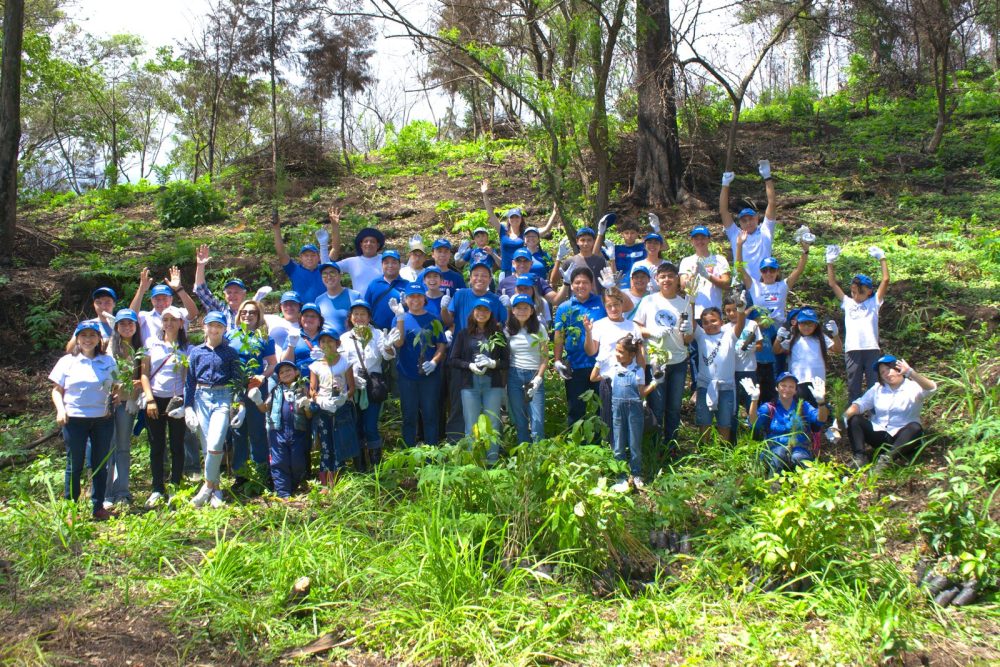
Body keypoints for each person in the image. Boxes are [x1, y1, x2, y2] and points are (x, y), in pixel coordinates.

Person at [50, 321, 117, 520]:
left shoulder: (108, 361)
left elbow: (117, 386)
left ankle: (98, 506)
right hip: (75, 420)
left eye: (92, 336)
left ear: (99, 339)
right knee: (75, 463)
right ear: (77, 339)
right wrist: (60, 410)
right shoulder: (67, 361)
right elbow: (56, 390)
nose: (88, 339)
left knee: (99, 463)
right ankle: (71, 507)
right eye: (84, 336)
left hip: (102, 419)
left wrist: (118, 395)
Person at [184, 311, 242, 508]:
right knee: (207, 445)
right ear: (204, 327)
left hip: (222, 397)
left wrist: (240, 404)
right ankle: (216, 490)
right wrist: (188, 406)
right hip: (201, 397)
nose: (214, 329)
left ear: (225, 329)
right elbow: (190, 380)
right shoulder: (196, 352)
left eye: (219, 326)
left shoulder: (231, 352)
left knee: (216, 443)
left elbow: (237, 380)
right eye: (211, 325)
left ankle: (207, 487)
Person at [633, 262, 691, 449]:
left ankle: (671, 446)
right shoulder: (649, 301)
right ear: (657, 280)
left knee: (674, 408)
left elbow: (688, 338)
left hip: (678, 361)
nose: (666, 280)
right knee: (656, 406)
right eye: (663, 276)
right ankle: (655, 447)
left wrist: (688, 330)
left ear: (677, 279)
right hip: (655, 361)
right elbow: (635, 327)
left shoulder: (685, 303)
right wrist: (651, 332)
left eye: (670, 276)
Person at [844, 355, 936, 471]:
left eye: (888, 369)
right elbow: (860, 404)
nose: (886, 374)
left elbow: (931, 388)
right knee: (855, 419)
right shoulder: (877, 389)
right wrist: (842, 419)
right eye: (882, 372)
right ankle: (859, 458)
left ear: (898, 368)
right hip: (881, 435)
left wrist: (910, 372)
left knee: (915, 427)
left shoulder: (913, 387)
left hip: (904, 439)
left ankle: (887, 460)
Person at [592, 334, 659, 492]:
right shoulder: (612, 368)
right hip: (617, 410)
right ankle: (621, 474)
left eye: (621, 352)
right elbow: (593, 377)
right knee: (618, 443)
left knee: (635, 443)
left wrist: (655, 383)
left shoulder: (638, 370)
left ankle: (636, 473)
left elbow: (642, 393)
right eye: (616, 350)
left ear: (632, 354)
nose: (617, 354)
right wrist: (599, 362)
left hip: (635, 410)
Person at [140, 306, 191, 506]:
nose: (169, 323)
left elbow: (188, 378)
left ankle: (175, 487)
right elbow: (144, 373)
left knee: (177, 445)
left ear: (181, 323)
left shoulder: (187, 348)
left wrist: (186, 403)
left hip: (177, 400)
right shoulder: (151, 344)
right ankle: (157, 488)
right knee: (156, 445)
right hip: (155, 400)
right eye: (165, 319)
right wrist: (150, 399)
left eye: (173, 319)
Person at [826, 244, 891, 401]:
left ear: (869, 291)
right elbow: (832, 284)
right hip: (852, 349)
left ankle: (875, 418)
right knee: (853, 387)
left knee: (874, 386)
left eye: (860, 291)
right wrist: (830, 262)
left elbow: (886, 279)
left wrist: (882, 258)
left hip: (871, 348)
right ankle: (853, 420)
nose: (855, 295)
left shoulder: (874, 302)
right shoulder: (848, 303)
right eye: (853, 291)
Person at [226, 299, 277, 491]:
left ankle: (262, 471)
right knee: (238, 431)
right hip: (236, 389)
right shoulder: (230, 336)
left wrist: (262, 376)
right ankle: (241, 474)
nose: (248, 315)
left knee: (257, 431)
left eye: (252, 313)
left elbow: (272, 363)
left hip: (256, 388)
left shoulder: (264, 337)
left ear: (258, 316)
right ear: (239, 315)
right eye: (244, 312)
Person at [340, 299, 398, 468]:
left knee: (370, 425)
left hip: (373, 386)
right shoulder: (344, 338)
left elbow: (388, 355)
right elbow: (341, 362)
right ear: (350, 317)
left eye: (363, 314)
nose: (359, 317)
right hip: (353, 386)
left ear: (369, 317)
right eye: (355, 314)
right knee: (356, 425)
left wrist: (387, 346)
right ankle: (359, 464)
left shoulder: (378, 334)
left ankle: (376, 464)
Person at [450, 299, 509, 463]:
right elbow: (453, 360)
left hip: (493, 385)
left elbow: (506, 361)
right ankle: (474, 461)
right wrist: (468, 365)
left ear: (491, 314)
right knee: (471, 425)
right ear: (473, 312)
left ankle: (492, 461)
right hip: (469, 385)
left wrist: (493, 363)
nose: (482, 314)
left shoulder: (497, 334)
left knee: (493, 424)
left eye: (486, 311)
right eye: (478, 310)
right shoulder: (463, 334)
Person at [392, 283, 447, 447]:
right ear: (406, 299)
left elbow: (441, 344)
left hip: (429, 376)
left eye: (418, 296)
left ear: (424, 298)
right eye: (411, 296)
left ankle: (431, 453)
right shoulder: (399, 317)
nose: (415, 300)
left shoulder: (433, 319)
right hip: (406, 375)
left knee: (430, 414)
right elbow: (399, 343)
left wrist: (434, 362)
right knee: (409, 415)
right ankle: (408, 452)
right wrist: (400, 319)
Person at [745, 372, 829, 477]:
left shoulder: (803, 406)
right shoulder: (770, 407)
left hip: (799, 449)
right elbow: (753, 423)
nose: (787, 389)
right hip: (774, 449)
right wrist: (754, 400)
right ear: (777, 388)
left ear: (795, 390)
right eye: (783, 385)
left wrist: (821, 402)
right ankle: (774, 485)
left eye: (791, 386)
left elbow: (821, 419)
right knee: (779, 453)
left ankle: (805, 488)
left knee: (799, 459)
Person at [552, 267, 607, 426]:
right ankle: (576, 444)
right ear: (572, 285)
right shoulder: (565, 307)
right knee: (576, 408)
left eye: (585, 282)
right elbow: (559, 335)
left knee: (601, 407)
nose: (581, 286)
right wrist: (557, 360)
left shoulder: (601, 302)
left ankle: (601, 444)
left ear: (592, 285)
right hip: (575, 364)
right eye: (577, 282)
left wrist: (611, 287)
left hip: (600, 364)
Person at [250, 360, 311, 499]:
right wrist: (257, 400)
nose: (285, 373)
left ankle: (295, 485)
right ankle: (283, 492)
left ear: (296, 372)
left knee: (298, 461)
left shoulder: (302, 389)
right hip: (277, 432)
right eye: (281, 372)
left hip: (298, 432)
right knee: (279, 461)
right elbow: (264, 408)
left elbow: (309, 415)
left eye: (288, 370)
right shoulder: (275, 390)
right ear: (278, 377)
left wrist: (307, 406)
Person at [310, 328, 360, 486]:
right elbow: (312, 389)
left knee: (340, 442)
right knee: (326, 443)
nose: (326, 344)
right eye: (323, 341)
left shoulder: (345, 362)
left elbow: (352, 386)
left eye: (330, 341)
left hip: (342, 408)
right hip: (324, 408)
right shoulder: (315, 365)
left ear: (337, 343)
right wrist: (318, 399)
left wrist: (344, 396)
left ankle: (337, 480)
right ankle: (325, 483)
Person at [690, 301, 746, 444]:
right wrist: (690, 301)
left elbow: (740, 325)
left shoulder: (729, 336)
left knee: (724, 421)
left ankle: (722, 452)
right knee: (704, 420)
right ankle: (704, 450)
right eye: (706, 322)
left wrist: (740, 309)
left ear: (721, 321)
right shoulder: (701, 336)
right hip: (705, 386)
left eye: (713, 320)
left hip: (726, 386)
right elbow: (691, 321)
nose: (710, 324)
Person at [104, 309, 142, 508]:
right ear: (116, 327)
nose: (127, 327)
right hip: (109, 404)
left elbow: (144, 377)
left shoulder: (140, 348)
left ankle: (122, 491)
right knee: (108, 448)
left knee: (123, 447)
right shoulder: (109, 347)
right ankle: (106, 493)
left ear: (136, 326)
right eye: (122, 324)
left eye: (130, 324)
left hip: (128, 404)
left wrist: (136, 397)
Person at [721, 159, 779, 283]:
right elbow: (723, 211)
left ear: (757, 218)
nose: (748, 222)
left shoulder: (765, 231)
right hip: (741, 285)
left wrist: (767, 177)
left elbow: (772, 203)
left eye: (751, 219)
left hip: (764, 283)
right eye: (744, 220)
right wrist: (725, 184)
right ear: (740, 223)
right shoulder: (735, 234)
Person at [505, 294, 548, 444]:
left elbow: (544, 357)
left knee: (537, 420)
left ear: (531, 311)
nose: (522, 311)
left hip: (534, 375)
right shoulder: (508, 329)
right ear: (513, 311)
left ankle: (538, 456)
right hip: (514, 375)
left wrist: (538, 378)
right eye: (518, 308)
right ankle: (524, 457)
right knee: (520, 420)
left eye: (526, 308)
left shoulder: (539, 328)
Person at [326, 207, 386, 296]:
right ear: (361, 245)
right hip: (360, 307)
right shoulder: (352, 262)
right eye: (365, 241)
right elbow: (329, 264)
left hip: (381, 305)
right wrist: (335, 227)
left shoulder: (386, 260)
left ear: (378, 245)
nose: (369, 244)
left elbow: (407, 270)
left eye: (372, 241)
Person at [130, 267, 198, 342]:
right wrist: (141, 290)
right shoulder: (145, 317)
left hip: (177, 352)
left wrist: (179, 288)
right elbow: (130, 316)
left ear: (171, 299)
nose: (161, 303)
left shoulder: (179, 313)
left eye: (165, 299)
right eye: (157, 299)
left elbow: (193, 313)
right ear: (152, 300)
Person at [725, 295, 763, 424]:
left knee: (751, 402)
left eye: (734, 309)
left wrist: (752, 348)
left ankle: (755, 434)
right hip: (731, 371)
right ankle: (732, 438)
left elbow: (760, 344)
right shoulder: (725, 328)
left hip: (748, 370)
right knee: (733, 406)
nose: (731, 313)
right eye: (728, 311)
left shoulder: (751, 324)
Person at [193, 244, 250, 330]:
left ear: (244, 294)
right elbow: (201, 290)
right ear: (224, 295)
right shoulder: (219, 309)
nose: (232, 295)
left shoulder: (250, 312)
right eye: (229, 292)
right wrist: (200, 266)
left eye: (236, 292)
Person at [679, 226, 732, 319]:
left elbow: (727, 284)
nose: (700, 241)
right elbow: (683, 286)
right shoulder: (686, 261)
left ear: (709, 240)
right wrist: (693, 275)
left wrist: (708, 276)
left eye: (703, 238)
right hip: (693, 313)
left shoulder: (720, 259)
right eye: (696, 238)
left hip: (715, 313)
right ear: (692, 241)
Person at [271, 214, 324, 303]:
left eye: (313, 255)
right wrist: (276, 228)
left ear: (319, 257)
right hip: (302, 312)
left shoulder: (325, 269)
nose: (309, 258)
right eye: (306, 255)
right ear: (300, 258)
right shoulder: (294, 269)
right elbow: (281, 253)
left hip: (323, 311)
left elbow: (335, 251)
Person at [482, 179, 529, 274]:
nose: (514, 220)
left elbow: (544, 230)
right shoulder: (502, 230)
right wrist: (484, 194)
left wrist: (554, 214)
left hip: (521, 272)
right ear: (508, 219)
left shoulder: (525, 233)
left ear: (521, 219)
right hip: (506, 271)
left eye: (517, 217)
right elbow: (491, 214)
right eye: (512, 217)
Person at [551, 227, 607, 300]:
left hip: (596, 302)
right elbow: (553, 281)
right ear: (577, 241)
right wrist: (558, 259)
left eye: (589, 240)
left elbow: (608, 281)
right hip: (575, 302)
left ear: (594, 241)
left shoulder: (600, 261)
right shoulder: (570, 261)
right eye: (582, 240)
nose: (586, 243)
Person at [365, 249, 409, 330]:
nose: (390, 265)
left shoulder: (407, 285)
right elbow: (366, 308)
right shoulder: (374, 284)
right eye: (386, 262)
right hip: (377, 332)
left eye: (394, 262)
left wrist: (406, 305)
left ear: (400, 265)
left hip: (402, 331)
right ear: (382, 265)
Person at [596, 217, 646, 289]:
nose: (629, 236)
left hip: (641, 287)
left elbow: (664, 247)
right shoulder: (614, 249)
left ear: (637, 233)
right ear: (622, 234)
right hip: (622, 288)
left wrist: (657, 229)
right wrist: (600, 233)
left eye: (632, 233)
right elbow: (595, 253)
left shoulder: (643, 247)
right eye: (626, 233)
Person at [315, 262, 362, 333]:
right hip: (327, 343)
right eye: (325, 274)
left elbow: (363, 322)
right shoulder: (319, 300)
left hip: (350, 342)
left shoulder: (355, 296)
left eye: (332, 273)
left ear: (340, 276)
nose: (329, 277)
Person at [282, 302, 325, 377]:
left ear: (319, 321)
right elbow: (285, 364)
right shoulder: (293, 336)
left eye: (313, 316)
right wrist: (291, 346)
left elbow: (338, 360)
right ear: (300, 319)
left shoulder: (327, 336)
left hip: (324, 382)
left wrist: (325, 357)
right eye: (306, 316)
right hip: (301, 383)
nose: (308, 319)